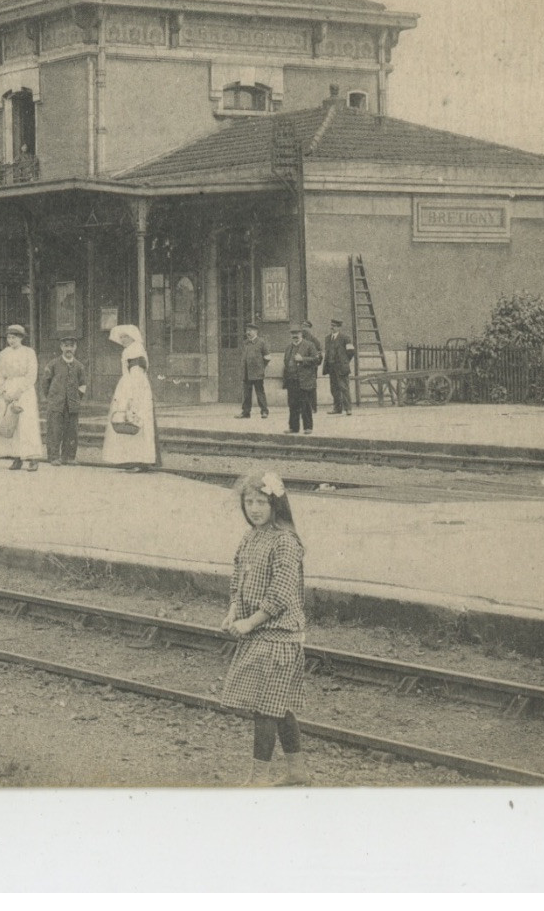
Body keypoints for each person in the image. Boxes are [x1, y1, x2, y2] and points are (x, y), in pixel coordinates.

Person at [219, 470, 310, 787]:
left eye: (261, 502)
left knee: (264, 707)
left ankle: (260, 777)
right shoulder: (251, 537)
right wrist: (234, 610)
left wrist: (250, 621)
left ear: (276, 504)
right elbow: (237, 579)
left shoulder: (285, 541)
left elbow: (281, 594)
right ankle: (297, 771)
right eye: (249, 502)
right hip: (260, 634)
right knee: (277, 704)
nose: (254, 508)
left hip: (280, 636)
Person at [102, 324, 159, 471]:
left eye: (125, 337)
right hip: (129, 385)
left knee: (134, 419)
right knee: (128, 421)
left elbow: (136, 373)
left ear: (132, 337)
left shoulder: (135, 349)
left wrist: (131, 397)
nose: (122, 340)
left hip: (135, 387)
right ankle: (130, 458)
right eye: (121, 338)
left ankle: (139, 460)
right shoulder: (131, 349)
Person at [0, 324, 45, 471]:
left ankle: (32, 457)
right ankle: (17, 457)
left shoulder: (29, 353)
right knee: (11, 424)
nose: (11, 340)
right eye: (9, 337)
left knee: (26, 424)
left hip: (24, 391)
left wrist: (19, 391)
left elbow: (31, 375)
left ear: (21, 338)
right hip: (8, 389)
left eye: (14, 337)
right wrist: (3, 392)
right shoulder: (3, 354)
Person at [39, 335, 88, 466]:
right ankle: (54, 457)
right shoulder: (53, 364)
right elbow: (45, 383)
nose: (69, 349)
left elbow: (83, 385)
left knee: (71, 431)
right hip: (56, 404)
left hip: (72, 405)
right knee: (54, 430)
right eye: (66, 346)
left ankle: (69, 457)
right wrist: (52, 397)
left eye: (71, 346)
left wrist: (76, 398)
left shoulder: (79, 366)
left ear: (75, 348)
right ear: (61, 347)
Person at [282, 322, 323, 435]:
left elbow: (317, 360)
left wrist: (303, 359)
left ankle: (308, 427)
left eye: (297, 333)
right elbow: (286, 363)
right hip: (292, 380)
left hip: (304, 380)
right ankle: (293, 427)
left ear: (301, 334)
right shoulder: (289, 347)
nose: (295, 336)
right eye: (293, 333)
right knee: (292, 405)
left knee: (305, 404)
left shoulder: (309, 345)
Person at [237, 322, 270, 419]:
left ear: (256, 332)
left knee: (260, 392)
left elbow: (267, 357)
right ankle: (246, 412)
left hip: (257, 373)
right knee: (246, 394)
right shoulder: (245, 343)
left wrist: (261, 367)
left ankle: (264, 411)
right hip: (246, 373)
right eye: (247, 331)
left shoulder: (261, 342)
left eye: (250, 331)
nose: (248, 333)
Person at [323, 317, 355, 415]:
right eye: (331, 326)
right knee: (334, 389)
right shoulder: (327, 338)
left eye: (334, 326)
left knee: (344, 388)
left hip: (341, 368)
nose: (332, 328)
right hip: (331, 367)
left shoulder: (345, 338)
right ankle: (337, 408)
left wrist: (344, 361)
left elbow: (351, 352)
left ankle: (348, 409)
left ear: (339, 327)